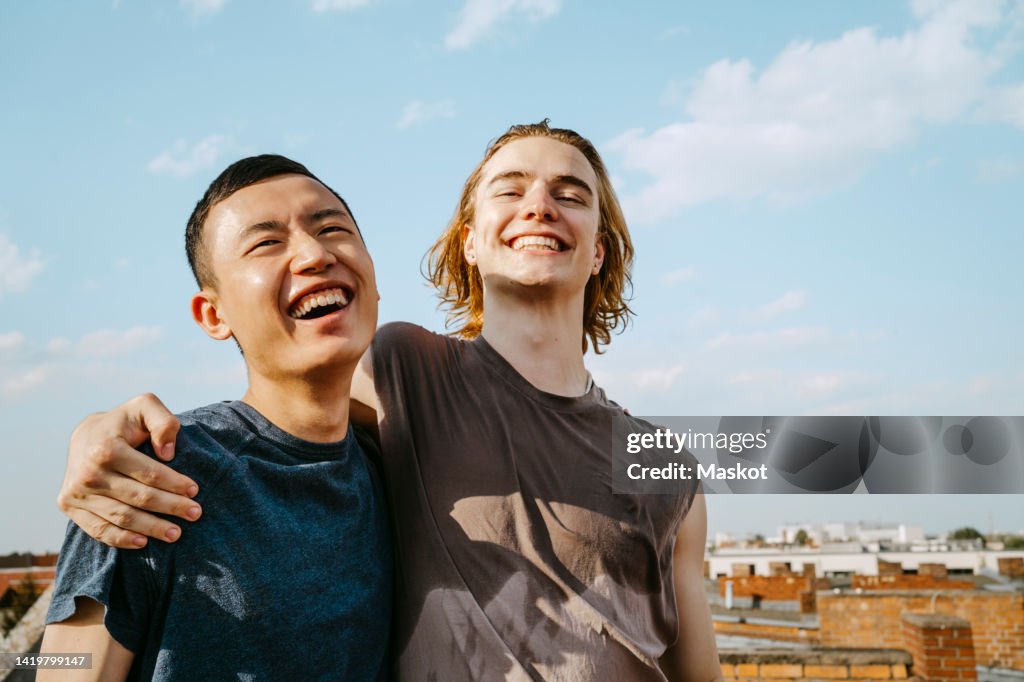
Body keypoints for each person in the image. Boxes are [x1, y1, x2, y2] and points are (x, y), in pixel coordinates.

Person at [56, 122, 722, 681]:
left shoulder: (661, 460)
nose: (540, 205)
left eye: (569, 193)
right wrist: (94, 431)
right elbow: (52, 665)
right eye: (510, 189)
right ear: (470, 239)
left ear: (600, 249)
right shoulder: (402, 374)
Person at [39, 156, 392, 681]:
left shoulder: (389, 461)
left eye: (333, 229)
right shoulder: (150, 474)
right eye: (266, 243)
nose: (315, 255)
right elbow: (59, 667)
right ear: (213, 314)